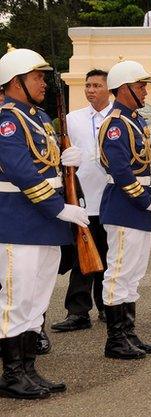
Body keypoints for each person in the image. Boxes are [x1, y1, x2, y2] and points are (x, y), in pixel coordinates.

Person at [0, 47, 88, 398]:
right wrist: (59, 208)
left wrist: (69, 164)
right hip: (19, 223)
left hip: (44, 224)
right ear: (15, 81)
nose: (43, 83)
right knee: (16, 300)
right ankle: (11, 374)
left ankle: (29, 369)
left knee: (36, 300)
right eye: (37, 77)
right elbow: (22, 172)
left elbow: (47, 168)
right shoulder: (7, 120)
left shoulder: (37, 118)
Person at [98, 59, 151, 360]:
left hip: (136, 207)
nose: (145, 90)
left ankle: (128, 333)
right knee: (119, 273)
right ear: (125, 88)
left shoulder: (134, 121)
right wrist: (146, 201)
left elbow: (141, 165)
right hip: (124, 206)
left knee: (133, 274)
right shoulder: (117, 125)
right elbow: (121, 172)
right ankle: (115, 340)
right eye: (140, 85)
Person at [52, 69, 112, 332]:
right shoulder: (72, 119)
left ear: (109, 88)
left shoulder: (118, 117)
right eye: (88, 85)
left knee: (109, 257)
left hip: (110, 199)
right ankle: (78, 312)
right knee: (81, 258)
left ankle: (108, 306)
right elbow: (56, 154)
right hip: (82, 198)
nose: (90, 90)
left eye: (97, 85)